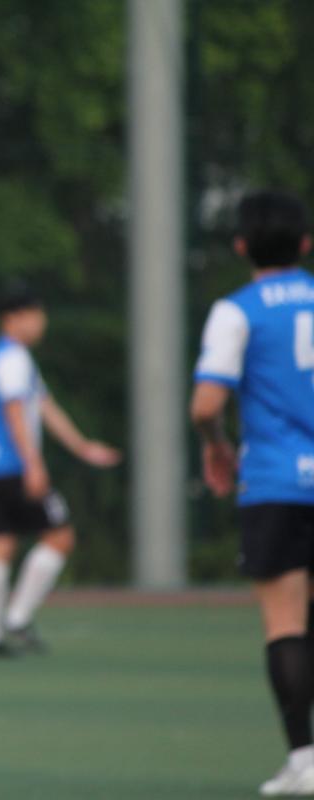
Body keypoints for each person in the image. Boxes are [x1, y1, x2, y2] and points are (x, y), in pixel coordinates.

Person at [191, 190, 314, 797]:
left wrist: (216, 445)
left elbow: (206, 404)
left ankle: (305, 759)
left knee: (285, 621)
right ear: (306, 244)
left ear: (241, 247)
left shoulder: (236, 311)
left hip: (275, 480)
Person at [0, 285, 122, 657]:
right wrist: (33, 464)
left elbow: (45, 407)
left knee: (2, 540)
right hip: (13, 466)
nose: (41, 323)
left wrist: (82, 446)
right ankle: (17, 617)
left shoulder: (2, 355)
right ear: (12, 318)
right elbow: (15, 412)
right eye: (35, 315)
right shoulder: (12, 358)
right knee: (59, 536)